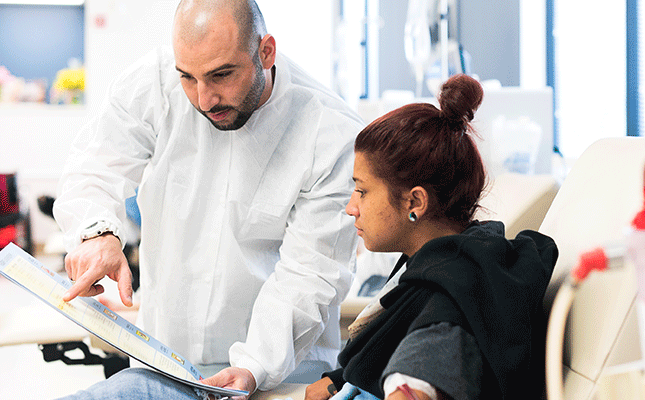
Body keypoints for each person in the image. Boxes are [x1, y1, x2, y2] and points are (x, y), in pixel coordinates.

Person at [53, 0, 364, 396]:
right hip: (168, 360)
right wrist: (98, 232)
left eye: (221, 75)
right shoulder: (154, 83)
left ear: (266, 51)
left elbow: (312, 275)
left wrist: (253, 367)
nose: (204, 99)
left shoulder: (331, 134)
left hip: (279, 372)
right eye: (188, 77)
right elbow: (95, 163)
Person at [304, 74, 558, 400]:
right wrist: (340, 380)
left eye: (362, 191)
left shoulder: (447, 311)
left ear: (415, 202)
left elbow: (419, 370)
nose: (351, 207)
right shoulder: (447, 263)